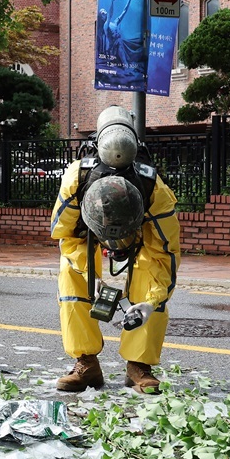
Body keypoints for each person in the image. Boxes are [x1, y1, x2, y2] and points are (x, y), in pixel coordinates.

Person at [49, 105, 180, 394]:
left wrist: (151, 302)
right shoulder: (76, 180)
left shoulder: (154, 190)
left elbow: (165, 254)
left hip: (141, 237)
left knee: (149, 274)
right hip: (86, 237)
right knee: (70, 276)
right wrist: (91, 275)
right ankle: (86, 362)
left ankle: (139, 365)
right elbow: (64, 235)